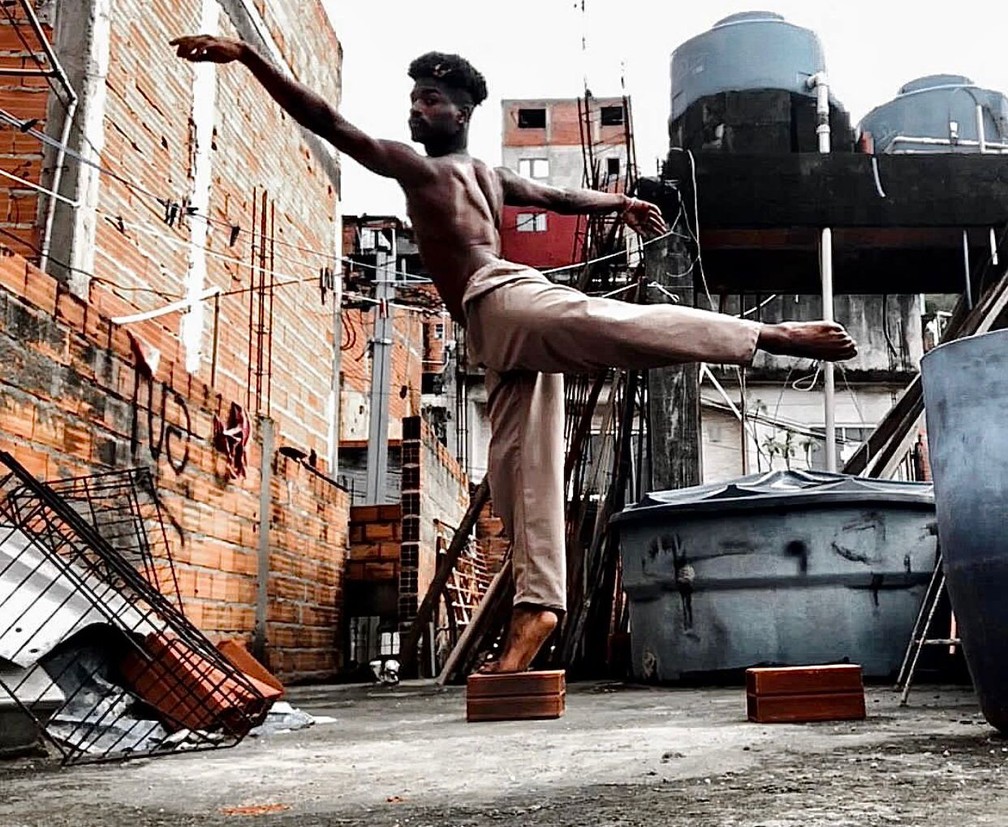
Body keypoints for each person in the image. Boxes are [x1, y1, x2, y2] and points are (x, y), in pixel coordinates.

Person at [171, 38, 858, 674]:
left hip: (500, 300)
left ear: (461, 111)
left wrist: (247, 54)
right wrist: (616, 201)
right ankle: (538, 607)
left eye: (430, 101)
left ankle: (767, 337)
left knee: (614, 323)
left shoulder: (442, 170)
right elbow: (559, 196)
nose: (416, 112)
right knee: (519, 474)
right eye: (412, 100)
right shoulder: (468, 173)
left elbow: (327, 121)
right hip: (493, 333)